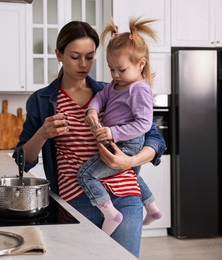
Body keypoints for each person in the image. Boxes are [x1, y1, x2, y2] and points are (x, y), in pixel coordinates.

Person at [12, 20, 166, 258]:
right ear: (59, 55)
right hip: (76, 201)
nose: (84, 65)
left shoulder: (114, 90)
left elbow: (154, 139)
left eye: (90, 57)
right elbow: (23, 160)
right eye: (75, 56)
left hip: (125, 197)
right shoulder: (42, 100)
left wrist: (129, 161)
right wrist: (43, 133)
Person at [77, 17, 162, 236]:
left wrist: (113, 132)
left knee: (86, 174)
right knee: (132, 174)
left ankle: (110, 214)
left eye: (121, 70)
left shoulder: (139, 90)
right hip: (118, 140)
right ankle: (152, 207)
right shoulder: (115, 85)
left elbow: (144, 124)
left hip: (127, 143)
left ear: (140, 64)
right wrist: (92, 110)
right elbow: (99, 97)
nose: (114, 75)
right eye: (111, 69)